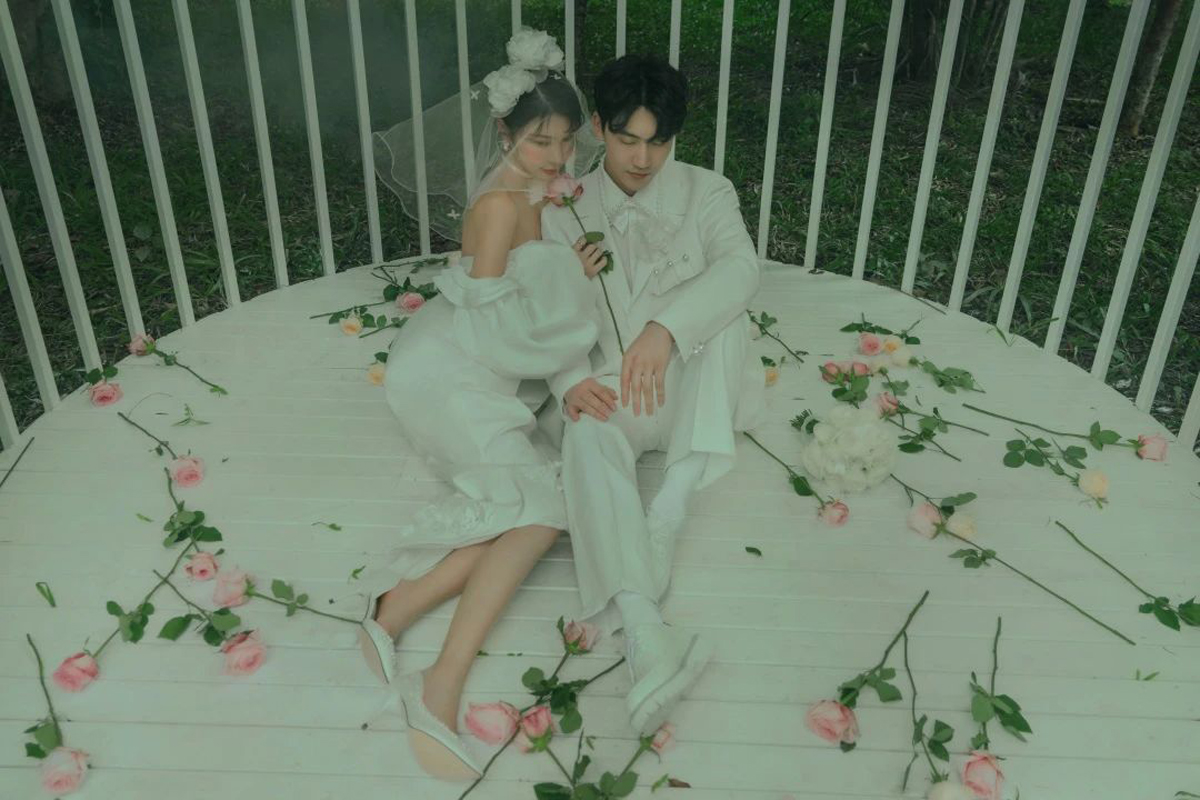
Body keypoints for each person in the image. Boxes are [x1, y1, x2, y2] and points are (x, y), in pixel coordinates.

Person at [359, 29, 607, 781]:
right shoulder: (499, 206)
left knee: (539, 506)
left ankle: (395, 611)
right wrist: (575, 304)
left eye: (566, 141)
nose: (557, 157)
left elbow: (520, 297)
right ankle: (442, 679)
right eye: (540, 141)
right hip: (448, 372)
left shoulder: (533, 189)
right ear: (504, 133)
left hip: (475, 358)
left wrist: (564, 271)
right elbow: (502, 334)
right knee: (539, 510)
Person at [539, 53, 765, 735]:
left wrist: (666, 331)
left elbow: (741, 268)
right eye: (627, 139)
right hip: (617, 383)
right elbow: (543, 307)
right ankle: (645, 633)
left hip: (697, 384)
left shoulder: (708, 191)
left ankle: (669, 506)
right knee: (584, 430)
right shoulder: (563, 208)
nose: (643, 159)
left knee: (729, 316)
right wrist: (567, 380)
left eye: (659, 141)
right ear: (598, 127)